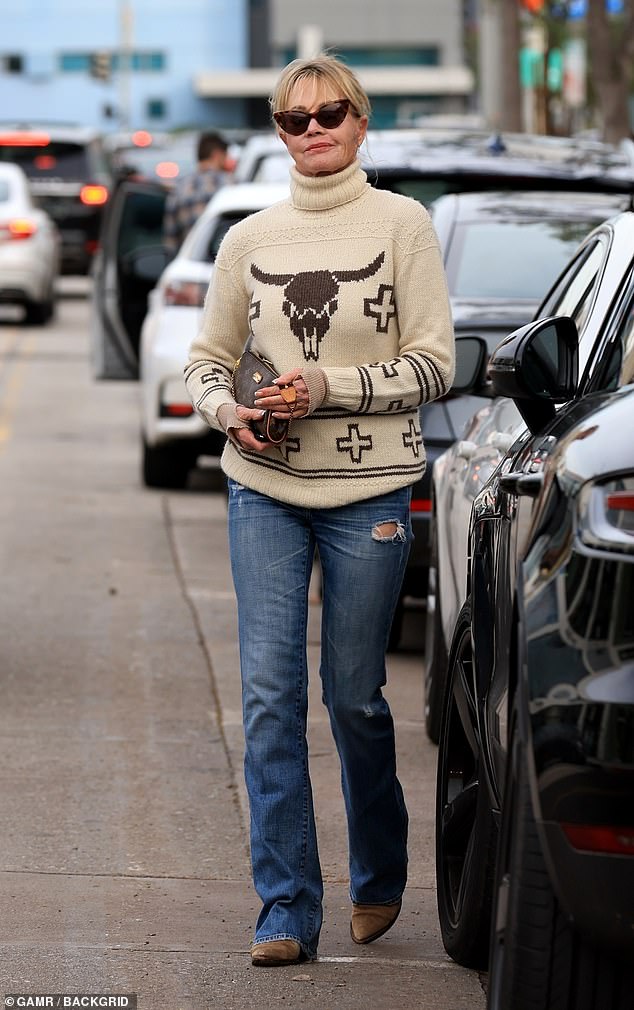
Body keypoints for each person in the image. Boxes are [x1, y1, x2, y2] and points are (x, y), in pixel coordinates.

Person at [184, 54, 455, 967]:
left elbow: (433, 365)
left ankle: (378, 877)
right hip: (262, 487)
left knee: (353, 698)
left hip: (370, 490)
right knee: (268, 701)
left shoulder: (404, 225)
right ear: (278, 132)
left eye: (329, 112)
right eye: (293, 119)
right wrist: (229, 411)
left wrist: (328, 386)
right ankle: (286, 908)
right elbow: (206, 359)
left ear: (360, 120)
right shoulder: (249, 238)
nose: (312, 130)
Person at [163, 130, 229, 253]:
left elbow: (171, 240)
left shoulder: (179, 188)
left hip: (190, 264)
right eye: (226, 157)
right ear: (217, 155)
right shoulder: (230, 184)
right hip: (226, 262)